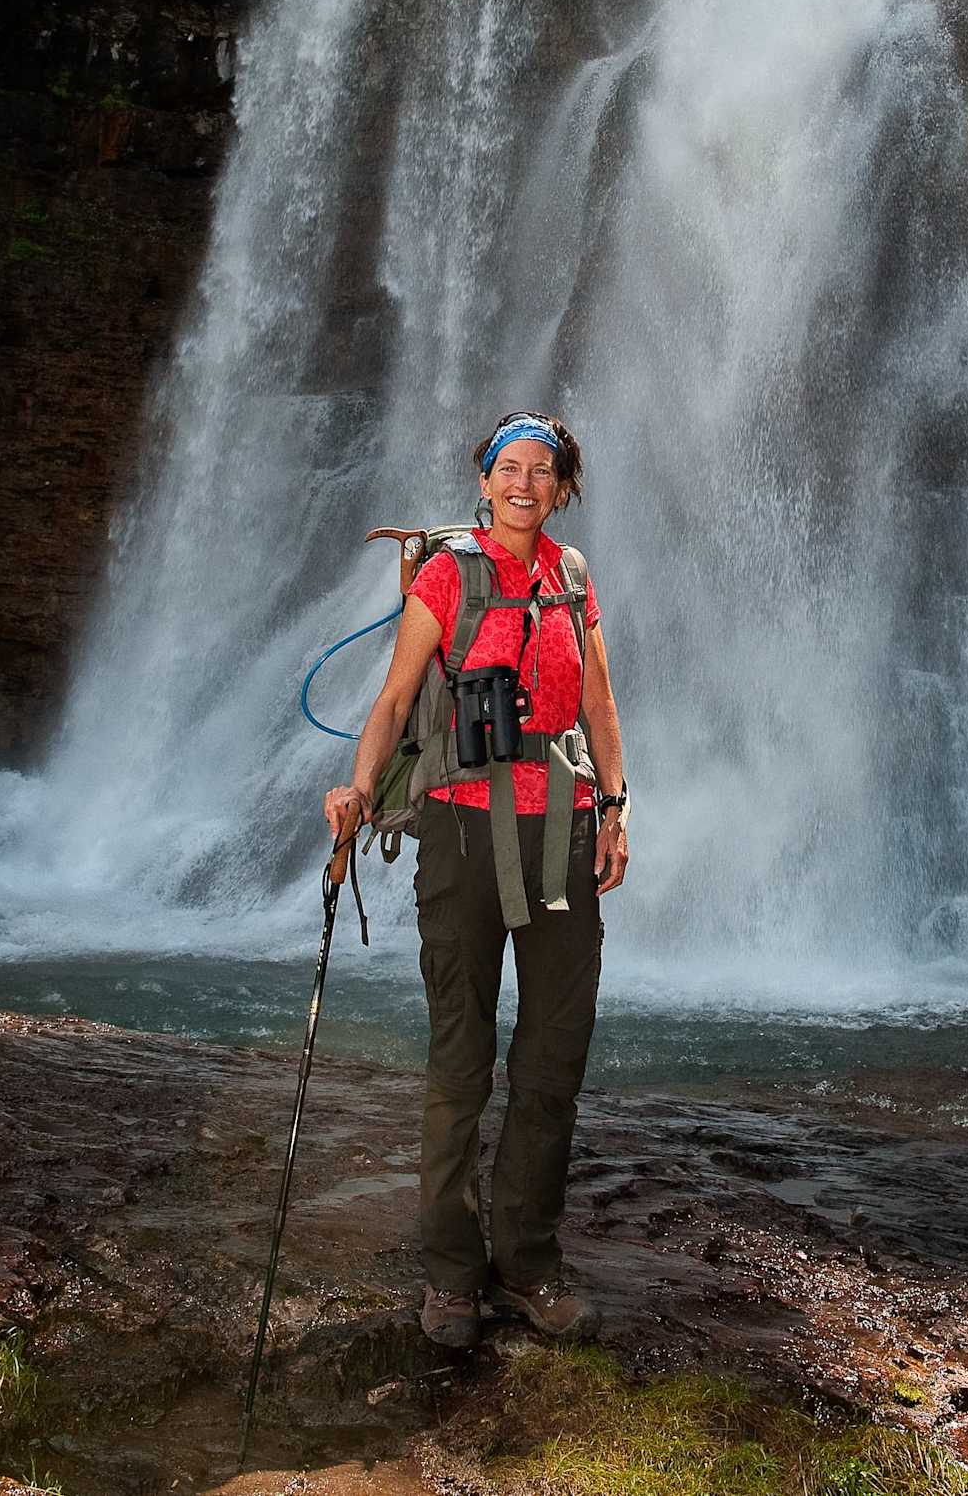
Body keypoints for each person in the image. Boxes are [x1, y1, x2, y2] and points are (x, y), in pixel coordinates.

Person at [323, 411, 629, 1348]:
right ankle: (452, 1273)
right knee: (461, 1057)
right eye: (509, 468)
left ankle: (528, 1261)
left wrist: (615, 806)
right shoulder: (448, 576)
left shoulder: (573, 579)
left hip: (563, 835)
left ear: (563, 488)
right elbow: (393, 696)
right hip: (459, 836)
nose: (524, 483)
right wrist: (357, 789)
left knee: (552, 1060)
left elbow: (600, 700)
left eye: (543, 470)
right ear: (484, 482)